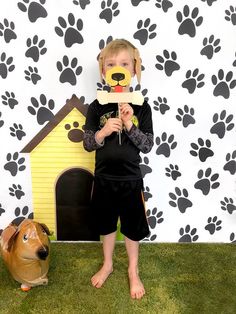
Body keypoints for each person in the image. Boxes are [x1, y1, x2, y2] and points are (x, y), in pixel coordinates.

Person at [83, 39, 154, 299]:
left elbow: (147, 146)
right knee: (107, 225)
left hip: (131, 180)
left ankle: (133, 270)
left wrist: (129, 126)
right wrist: (102, 132)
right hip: (103, 179)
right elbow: (88, 143)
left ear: (134, 70)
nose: (118, 68)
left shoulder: (142, 107)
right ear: (104, 71)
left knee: (133, 228)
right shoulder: (96, 106)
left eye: (124, 64)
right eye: (111, 64)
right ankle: (108, 264)